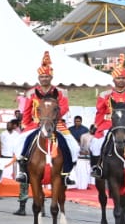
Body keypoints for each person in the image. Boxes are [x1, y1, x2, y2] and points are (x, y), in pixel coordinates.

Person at [15, 51, 78, 182]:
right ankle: (22, 171)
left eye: (47, 76)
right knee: (20, 142)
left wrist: (52, 119)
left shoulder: (60, 92)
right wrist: (25, 125)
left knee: (73, 145)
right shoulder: (31, 92)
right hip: (36, 123)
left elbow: (64, 107)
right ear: (39, 77)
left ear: (51, 77)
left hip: (56, 123)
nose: (44, 78)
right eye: (42, 76)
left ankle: (68, 172)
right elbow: (27, 111)